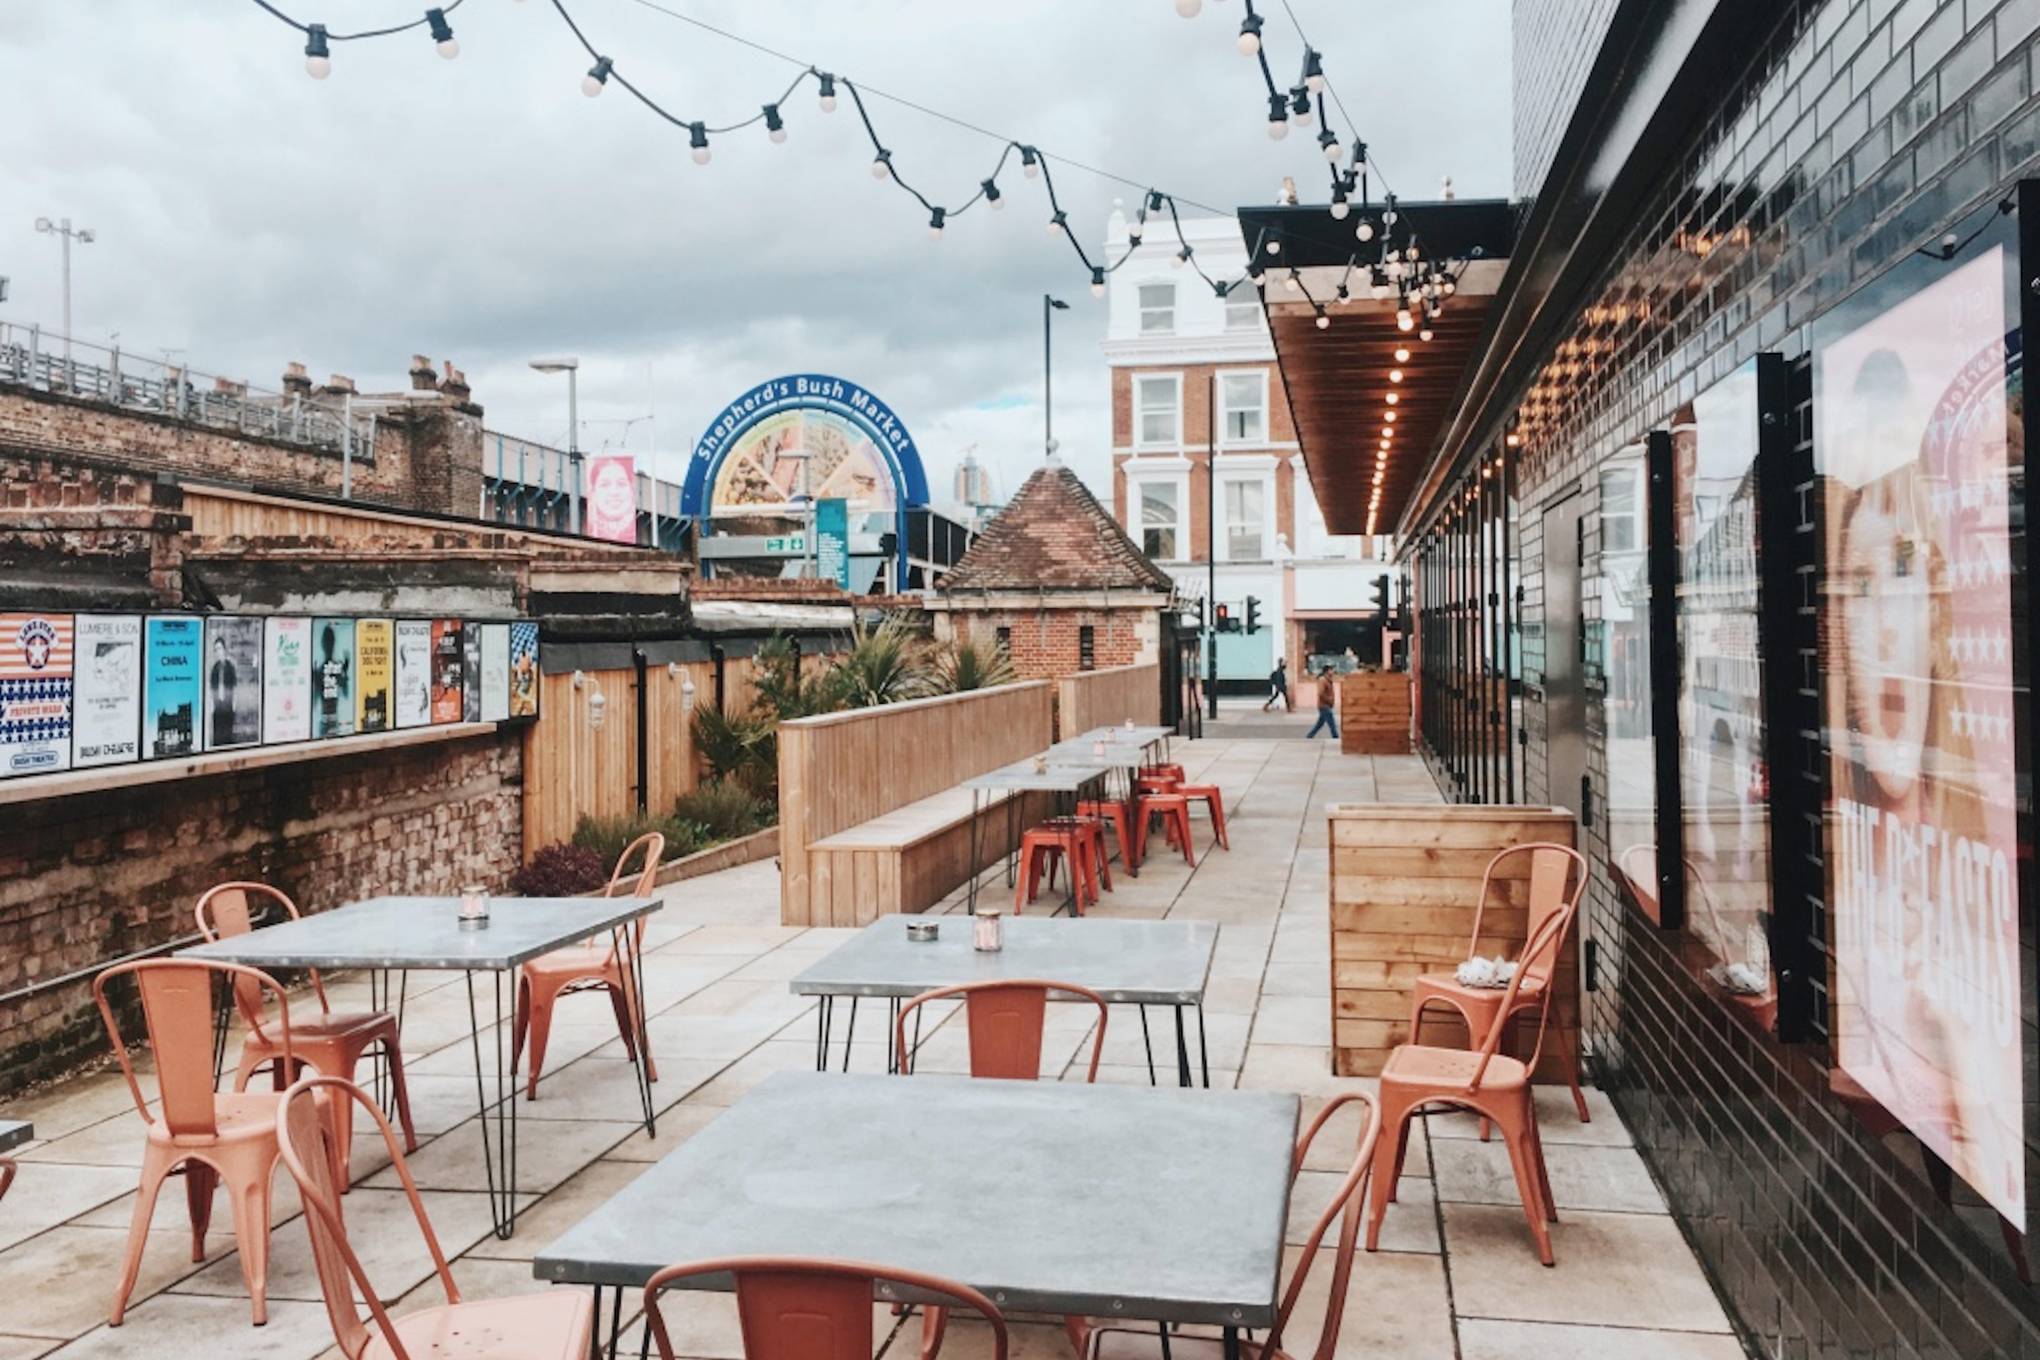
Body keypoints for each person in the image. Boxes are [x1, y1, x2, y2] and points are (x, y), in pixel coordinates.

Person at [1305, 665, 1339, 739]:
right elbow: (1321, 693)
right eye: (1331, 670)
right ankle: (1336, 737)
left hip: (1326, 705)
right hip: (1324, 706)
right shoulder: (1322, 680)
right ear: (1327, 671)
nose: (1333, 672)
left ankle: (1309, 736)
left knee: (1319, 724)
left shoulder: (1328, 680)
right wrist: (1329, 700)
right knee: (1332, 724)